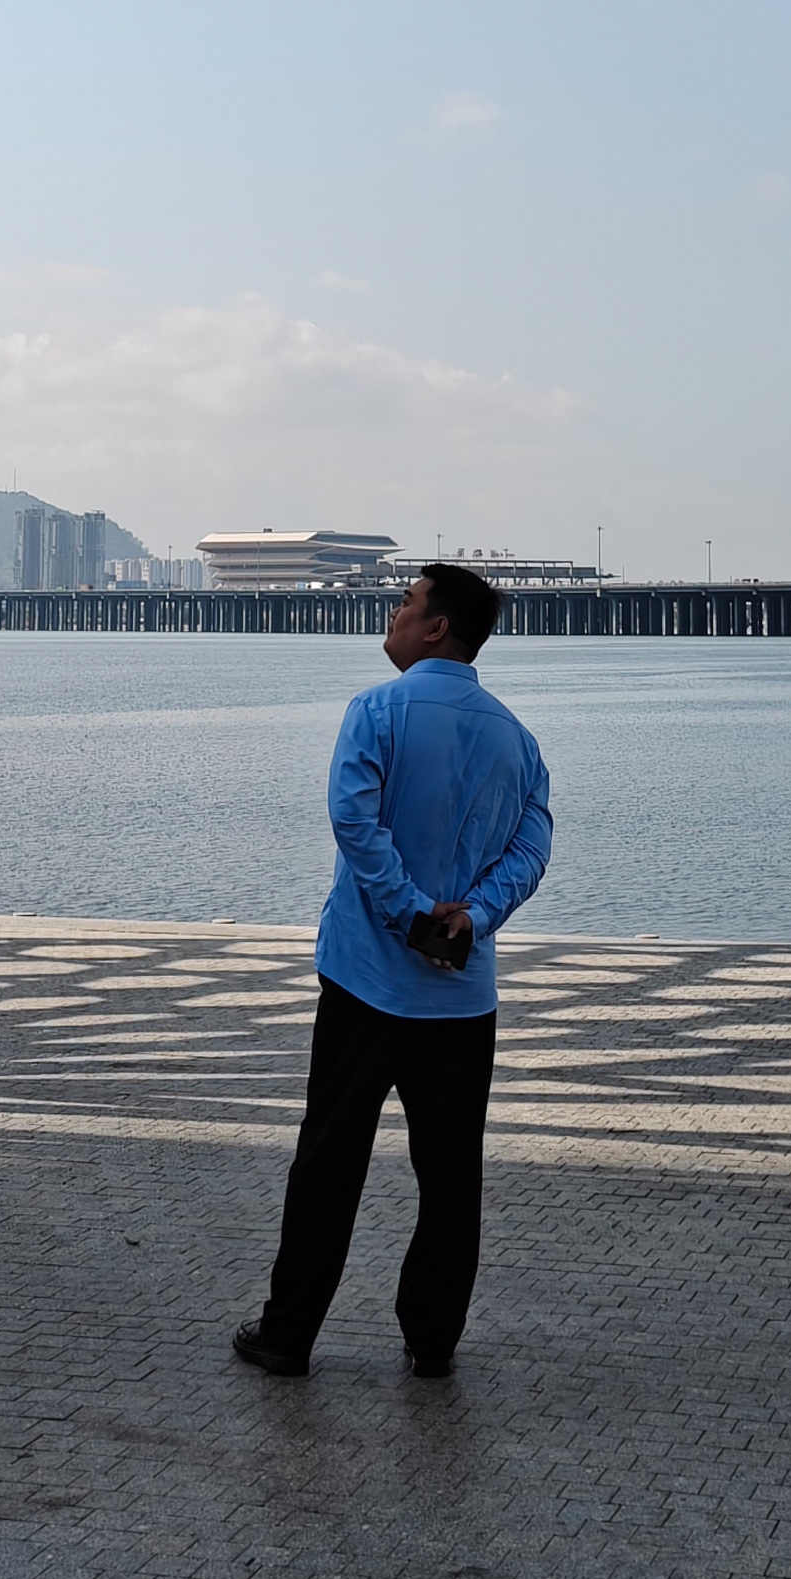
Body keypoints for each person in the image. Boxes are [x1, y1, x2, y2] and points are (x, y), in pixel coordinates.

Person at [232, 558, 551, 1382]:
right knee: (451, 1174)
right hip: (460, 998)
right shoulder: (517, 738)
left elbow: (354, 819)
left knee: (329, 1160)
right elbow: (531, 847)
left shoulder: (375, 711)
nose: (394, 614)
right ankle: (433, 1339)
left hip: (366, 981)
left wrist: (409, 913)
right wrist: (471, 915)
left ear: (437, 625)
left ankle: (288, 1333)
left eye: (406, 603)